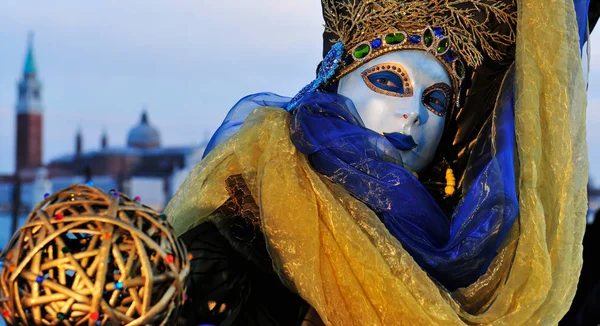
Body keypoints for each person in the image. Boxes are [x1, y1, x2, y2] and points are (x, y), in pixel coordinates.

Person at [166, 0, 591, 325]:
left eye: (435, 100)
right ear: (333, 84)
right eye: (388, 81)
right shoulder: (246, 231)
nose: (413, 114)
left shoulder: (470, 253)